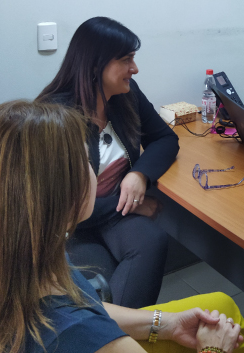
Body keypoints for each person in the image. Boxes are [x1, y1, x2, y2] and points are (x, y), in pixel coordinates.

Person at [0, 100, 244, 353]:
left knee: (220, 303)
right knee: (225, 331)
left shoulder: (2, 262)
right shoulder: (83, 337)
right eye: (85, 158)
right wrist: (214, 350)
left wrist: (165, 324)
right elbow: (82, 320)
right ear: (64, 197)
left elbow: (83, 301)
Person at [37, 16, 179, 308]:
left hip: (111, 210)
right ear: (95, 64)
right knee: (101, 278)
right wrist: (129, 207)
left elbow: (165, 139)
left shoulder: (126, 95)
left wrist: (139, 175)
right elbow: (62, 206)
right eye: (126, 60)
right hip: (71, 224)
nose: (134, 69)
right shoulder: (54, 117)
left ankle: (122, 338)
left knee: (152, 241)